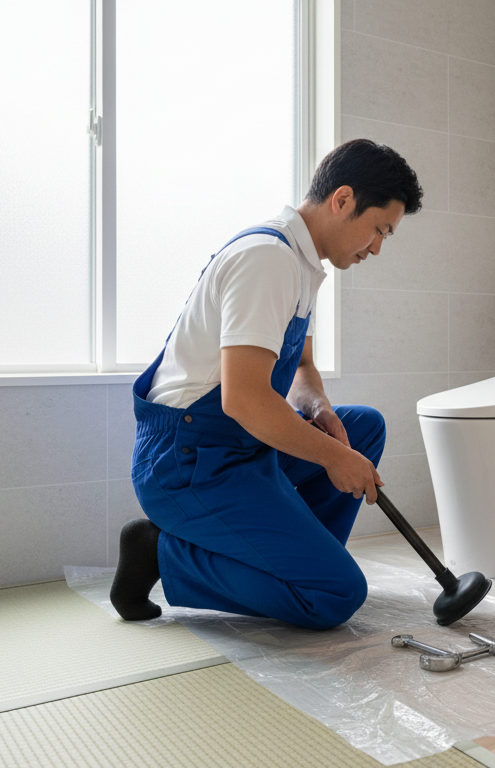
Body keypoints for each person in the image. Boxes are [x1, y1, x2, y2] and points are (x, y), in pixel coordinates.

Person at [110, 139, 423, 630]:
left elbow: (300, 369)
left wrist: (318, 407)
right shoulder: (267, 259)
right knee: (336, 595)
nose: (378, 248)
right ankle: (160, 551)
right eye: (379, 229)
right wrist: (333, 458)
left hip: (238, 447)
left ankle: (291, 562)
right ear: (342, 200)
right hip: (189, 462)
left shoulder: (302, 265)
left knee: (361, 429)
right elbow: (245, 398)